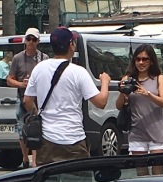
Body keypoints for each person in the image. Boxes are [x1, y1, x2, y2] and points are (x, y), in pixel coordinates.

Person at [24, 28, 109, 165]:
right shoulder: (78, 72)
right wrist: (105, 82)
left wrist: (37, 115)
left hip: (46, 141)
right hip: (74, 140)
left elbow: (27, 100)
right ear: (71, 45)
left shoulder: (39, 68)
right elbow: (101, 102)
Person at [115, 44, 163, 173]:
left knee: (158, 174)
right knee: (142, 174)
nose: (141, 62)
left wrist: (148, 94)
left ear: (151, 61)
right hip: (137, 132)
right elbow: (118, 106)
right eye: (138, 59)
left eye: (145, 59)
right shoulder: (128, 79)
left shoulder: (158, 78)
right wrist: (123, 92)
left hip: (157, 132)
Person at [8, 28, 47, 168]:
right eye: (29, 39)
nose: (31, 42)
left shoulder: (44, 58)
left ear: (38, 41)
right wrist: (21, 84)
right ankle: (25, 159)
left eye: (34, 39)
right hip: (23, 98)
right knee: (22, 130)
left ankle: (35, 162)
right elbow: (9, 79)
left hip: (39, 100)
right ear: (25, 40)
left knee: (36, 130)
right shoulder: (17, 58)